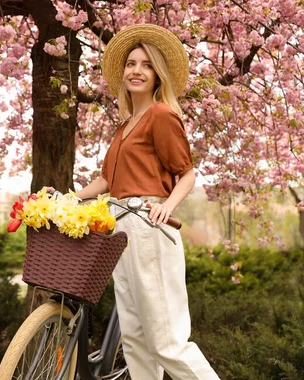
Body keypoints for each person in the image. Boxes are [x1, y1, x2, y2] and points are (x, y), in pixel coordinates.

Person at [75, 24, 220, 380]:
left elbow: (186, 173)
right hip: (119, 229)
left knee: (166, 341)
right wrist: (67, 197)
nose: (136, 70)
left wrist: (168, 206)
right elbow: (108, 181)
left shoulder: (161, 115)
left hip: (148, 225)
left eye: (146, 65)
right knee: (136, 340)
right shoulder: (124, 128)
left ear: (157, 76)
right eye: (131, 64)